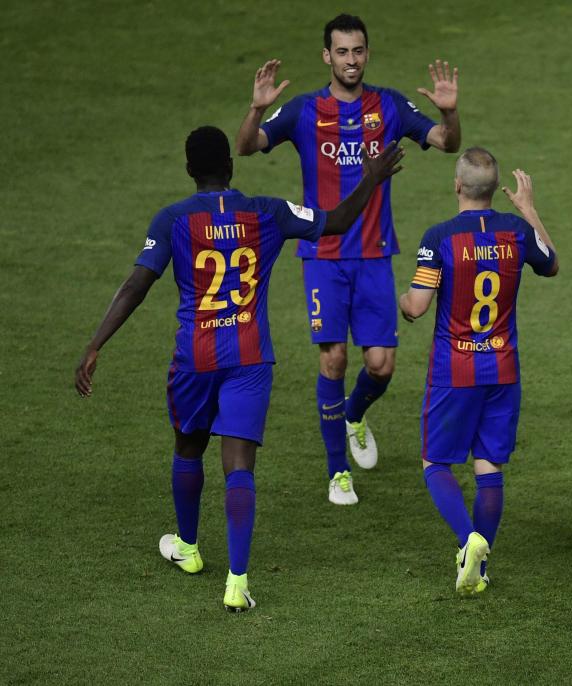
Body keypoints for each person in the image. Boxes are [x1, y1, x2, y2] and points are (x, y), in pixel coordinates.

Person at [74, 126, 403, 611]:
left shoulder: (171, 220)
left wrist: (96, 344)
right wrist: (370, 179)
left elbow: (136, 285)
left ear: (190, 171)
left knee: (189, 448)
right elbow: (335, 222)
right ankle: (237, 581)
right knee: (239, 467)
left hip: (196, 358)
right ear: (231, 165)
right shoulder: (267, 212)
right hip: (250, 356)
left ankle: (187, 547)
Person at [235, 13, 461, 505]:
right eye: (342, 52)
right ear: (327, 57)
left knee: (380, 366)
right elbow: (246, 147)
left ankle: (355, 415)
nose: (351, 60)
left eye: (358, 50)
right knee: (334, 358)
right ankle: (338, 471)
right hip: (322, 253)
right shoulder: (302, 110)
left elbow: (447, 144)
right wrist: (256, 110)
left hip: (375, 253)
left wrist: (448, 113)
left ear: (366, 53)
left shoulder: (390, 106)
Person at [398, 148, 558, 595]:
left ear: (457, 185)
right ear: (493, 189)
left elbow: (418, 303)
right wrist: (529, 210)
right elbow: (552, 262)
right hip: (503, 368)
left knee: (436, 461)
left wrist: (404, 306)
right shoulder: (516, 230)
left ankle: (469, 537)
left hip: (455, 369)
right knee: (489, 465)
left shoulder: (440, 237)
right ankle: (480, 567)